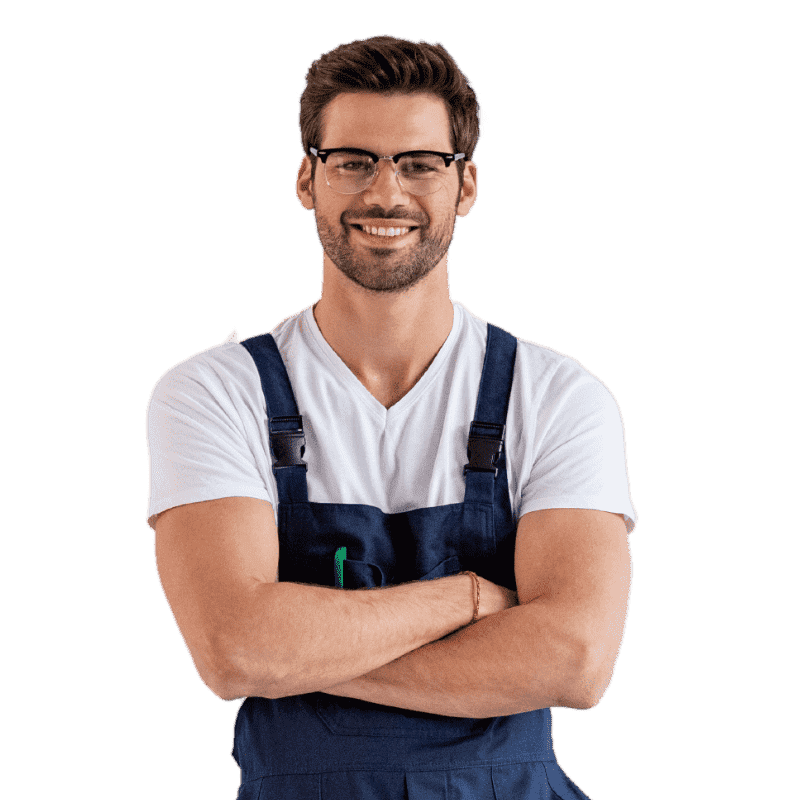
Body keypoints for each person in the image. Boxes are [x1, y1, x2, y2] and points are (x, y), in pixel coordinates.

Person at [146, 34, 637, 800]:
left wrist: (301, 652)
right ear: (307, 179)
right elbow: (235, 648)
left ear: (465, 185)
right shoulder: (216, 392)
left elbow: (576, 660)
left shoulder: (555, 395)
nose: (385, 193)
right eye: (353, 161)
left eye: (419, 163)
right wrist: (468, 600)